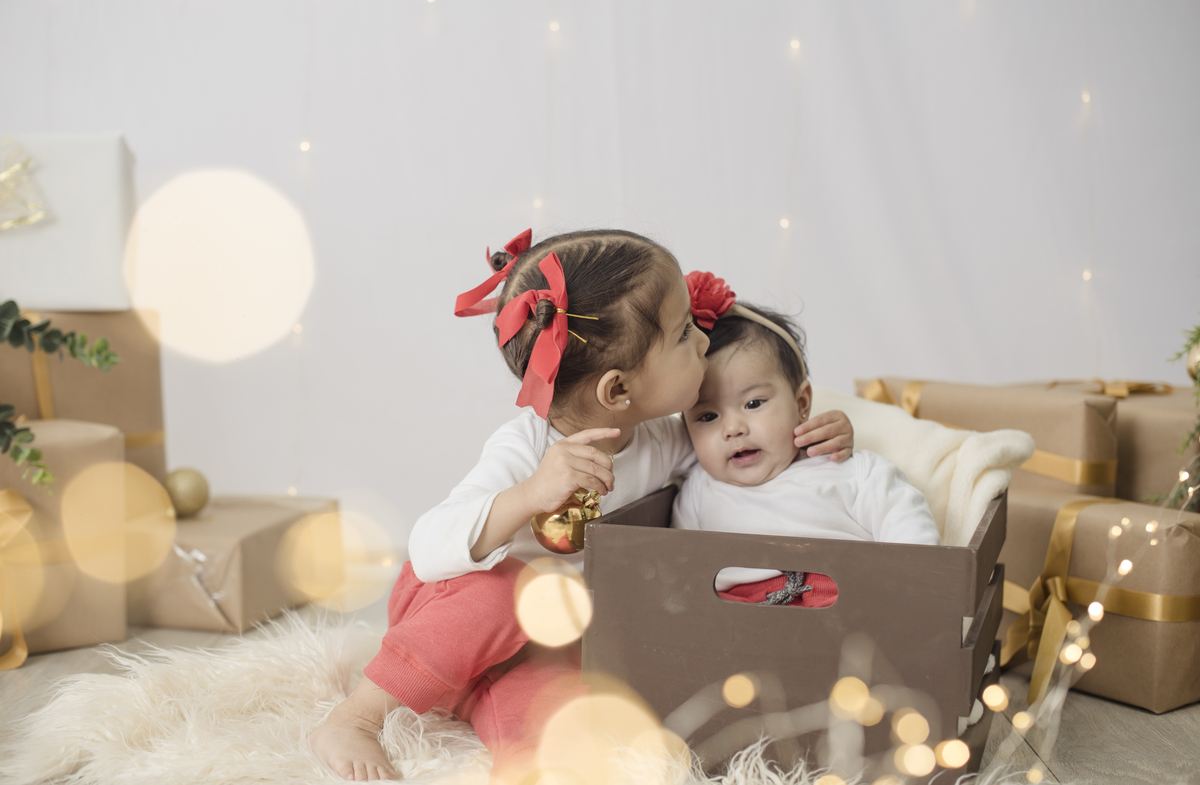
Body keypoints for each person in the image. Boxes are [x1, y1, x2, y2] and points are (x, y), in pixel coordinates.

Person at [310, 232, 857, 783]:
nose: (704, 341)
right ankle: (357, 717)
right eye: (686, 332)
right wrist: (526, 496)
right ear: (617, 391)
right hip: (449, 620)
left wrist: (811, 432)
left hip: (541, 646)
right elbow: (428, 551)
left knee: (569, 718)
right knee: (506, 593)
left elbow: (743, 449)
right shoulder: (525, 448)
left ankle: (507, 738)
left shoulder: (663, 440)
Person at [673, 279, 940, 609]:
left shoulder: (851, 472)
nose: (733, 428)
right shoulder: (699, 490)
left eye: (754, 404)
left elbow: (911, 537)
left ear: (802, 404)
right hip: (737, 630)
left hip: (846, 615)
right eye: (708, 417)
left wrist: (912, 600)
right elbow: (679, 573)